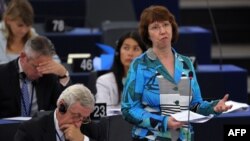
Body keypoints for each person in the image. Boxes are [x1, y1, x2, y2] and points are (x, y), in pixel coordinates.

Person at [121, 5, 232, 141]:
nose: (163, 31)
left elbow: (195, 105)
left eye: (166, 25)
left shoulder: (186, 63)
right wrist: (163, 122)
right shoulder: (140, 65)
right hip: (150, 138)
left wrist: (214, 107)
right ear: (147, 34)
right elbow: (129, 109)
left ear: (172, 27)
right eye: (155, 27)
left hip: (183, 137)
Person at [0, 35, 70, 118]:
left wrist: (63, 75)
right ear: (23, 57)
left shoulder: (49, 74)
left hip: (39, 129)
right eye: (36, 67)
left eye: (45, 66)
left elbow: (67, 107)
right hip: (7, 129)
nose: (41, 73)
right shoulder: (2, 73)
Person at [14, 84, 96, 141]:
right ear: (62, 107)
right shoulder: (31, 130)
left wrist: (82, 139)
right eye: (76, 116)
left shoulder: (88, 128)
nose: (78, 124)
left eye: (84, 118)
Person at [95, 31, 147, 106]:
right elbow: (103, 115)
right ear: (118, 52)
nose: (130, 53)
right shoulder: (104, 81)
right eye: (126, 48)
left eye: (136, 49)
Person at [0, 0, 60, 64]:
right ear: (7, 20)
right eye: (20, 25)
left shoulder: (32, 35)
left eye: (28, 25)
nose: (24, 30)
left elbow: (55, 60)